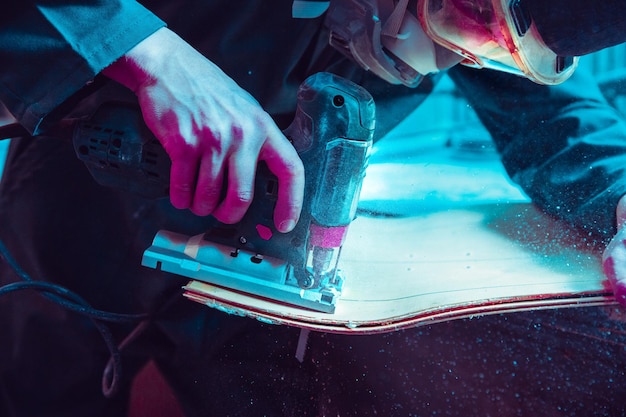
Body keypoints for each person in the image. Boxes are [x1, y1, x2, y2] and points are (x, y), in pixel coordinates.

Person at [1, 0, 626, 416]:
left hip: (266, 253)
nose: (463, 50)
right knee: (39, 390)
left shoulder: (497, 17)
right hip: (88, 198)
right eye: (467, 16)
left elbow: (563, 118)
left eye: (499, 47)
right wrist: (147, 53)